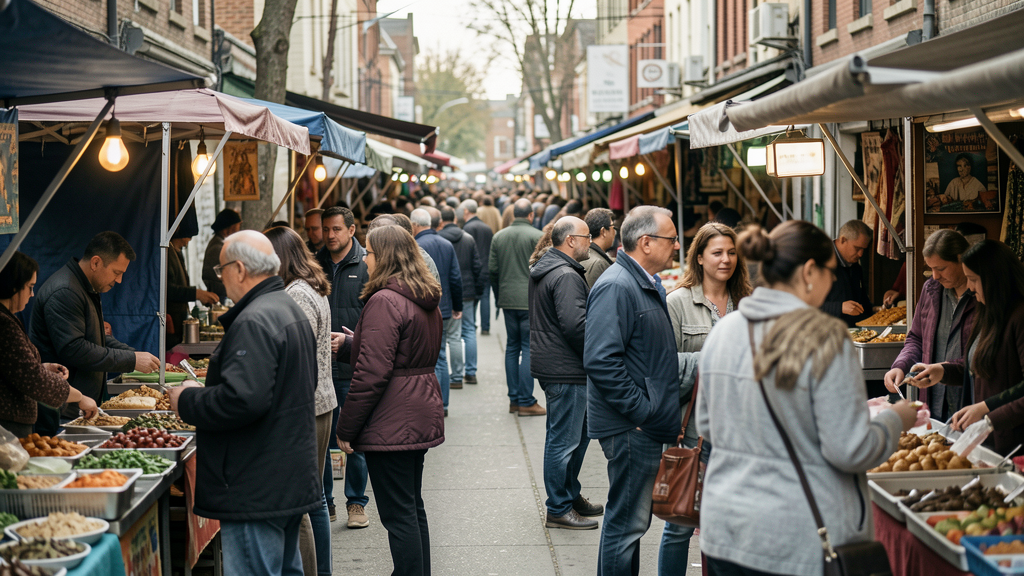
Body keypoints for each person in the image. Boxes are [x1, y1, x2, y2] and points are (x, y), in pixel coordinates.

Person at [696, 221, 918, 576]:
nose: (833, 282)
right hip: (794, 538)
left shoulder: (724, 331)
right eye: (831, 273)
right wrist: (896, 418)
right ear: (811, 270)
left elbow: (706, 424)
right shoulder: (825, 337)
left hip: (725, 528)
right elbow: (851, 449)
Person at [171, 231, 321, 576]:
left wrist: (187, 399)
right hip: (283, 474)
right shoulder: (286, 307)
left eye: (220, 269)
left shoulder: (255, 319)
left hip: (256, 483)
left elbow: (241, 400)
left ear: (239, 269)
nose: (219, 277)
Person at [336, 224, 445, 576]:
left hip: (393, 419)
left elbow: (372, 374)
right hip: (417, 409)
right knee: (411, 506)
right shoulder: (421, 294)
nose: (365, 258)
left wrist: (346, 427)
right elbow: (406, 353)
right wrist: (354, 345)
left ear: (383, 257)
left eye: (368, 252)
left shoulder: (385, 300)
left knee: (399, 514)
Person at [585, 206, 683, 576]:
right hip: (630, 426)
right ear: (646, 243)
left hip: (637, 422)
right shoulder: (616, 285)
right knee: (626, 524)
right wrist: (642, 412)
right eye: (671, 239)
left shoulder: (637, 281)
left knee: (628, 524)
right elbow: (600, 361)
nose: (676, 245)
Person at [659, 222, 751, 575]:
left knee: (729, 526)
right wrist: (715, 361)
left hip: (743, 432)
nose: (725, 259)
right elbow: (664, 367)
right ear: (699, 257)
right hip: (696, 430)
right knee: (680, 524)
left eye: (731, 252)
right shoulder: (677, 303)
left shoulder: (747, 302)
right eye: (717, 252)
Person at [30, 231, 159, 435]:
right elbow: (74, 349)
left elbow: (98, 339)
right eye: (117, 272)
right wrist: (131, 360)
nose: (119, 281)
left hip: (77, 408)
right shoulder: (65, 291)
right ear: (96, 262)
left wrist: (138, 356)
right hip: (61, 411)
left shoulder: (85, 287)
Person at [266, 226, 338, 576]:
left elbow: (297, 354)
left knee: (306, 503)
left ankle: (316, 571)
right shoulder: (311, 287)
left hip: (308, 404)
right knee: (316, 498)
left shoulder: (296, 294)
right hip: (321, 399)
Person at [909, 240, 1024, 455]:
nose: (969, 287)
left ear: (994, 279)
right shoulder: (988, 311)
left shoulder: (1019, 317)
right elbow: (980, 365)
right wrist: (943, 370)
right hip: (985, 441)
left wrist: (989, 414)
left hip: (1012, 445)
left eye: (973, 279)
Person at [528, 217, 604, 530]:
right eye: (587, 237)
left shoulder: (554, 268)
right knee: (563, 441)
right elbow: (577, 326)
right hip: (566, 368)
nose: (591, 242)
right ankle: (558, 506)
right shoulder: (565, 273)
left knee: (575, 438)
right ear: (571, 240)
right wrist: (601, 351)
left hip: (560, 366)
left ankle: (569, 494)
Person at [314, 206, 371, 529]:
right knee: (321, 441)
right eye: (326, 229)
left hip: (353, 366)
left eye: (336, 229)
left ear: (351, 230)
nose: (330, 235)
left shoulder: (366, 264)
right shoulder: (314, 264)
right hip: (320, 369)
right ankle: (326, 502)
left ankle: (356, 503)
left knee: (355, 441)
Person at [0, 252, 99, 437]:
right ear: (13, 286)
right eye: (29, 287)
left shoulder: (9, 318)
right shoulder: (4, 324)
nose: (32, 294)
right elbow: (33, 379)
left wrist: (42, 367)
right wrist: (79, 397)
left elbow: (16, 367)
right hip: (8, 428)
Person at [883, 230, 976, 421]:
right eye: (931, 268)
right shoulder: (931, 290)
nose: (934, 276)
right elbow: (916, 338)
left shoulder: (982, 295)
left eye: (941, 268)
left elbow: (986, 355)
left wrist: (944, 370)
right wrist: (901, 365)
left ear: (961, 259)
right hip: (933, 402)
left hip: (971, 403)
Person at [490, 199, 545, 416]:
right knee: (528, 347)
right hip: (530, 300)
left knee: (512, 347)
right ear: (531, 215)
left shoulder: (499, 236)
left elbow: (492, 270)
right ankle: (526, 400)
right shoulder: (538, 236)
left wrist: (499, 294)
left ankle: (514, 398)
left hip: (508, 298)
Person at [412, 208, 462, 414]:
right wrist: (457, 306)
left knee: (429, 358)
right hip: (444, 306)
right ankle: (444, 404)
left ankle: (433, 402)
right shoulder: (446, 244)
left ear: (414, 225)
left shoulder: (416, 247)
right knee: (441, 356)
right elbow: (455, 278)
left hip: (423, 309)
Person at [439, 207, 484, 386]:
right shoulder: (467, 238)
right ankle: (470, 372)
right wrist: (477, 290)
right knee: (467, 331)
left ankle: (455, 376)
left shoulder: (439, 239)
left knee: (448, 336)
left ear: (442, 221)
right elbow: (477, 267)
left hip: (445, 293)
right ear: (456, 221)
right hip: (467, 290)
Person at [166, 229, 220, 349]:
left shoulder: (175, 251)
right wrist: (197, 294)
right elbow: (168, 290)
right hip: (171, 324)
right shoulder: (166, 252)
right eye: (188, 237)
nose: (189, 241)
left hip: (178, 321)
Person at [821, 219, 873, 326]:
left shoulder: (856, 267)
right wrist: (839, 307)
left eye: (864, 249)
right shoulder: (820, 261)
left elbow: (861, 301)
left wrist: (874, 309)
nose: (861, 254)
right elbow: (803, 305)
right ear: (843, 240)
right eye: (857, 248)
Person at [460, 199, 494, 338]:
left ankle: (471, 325)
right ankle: (485, 327)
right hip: (486, 267)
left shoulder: (467, 228)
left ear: (466, 211)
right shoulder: (487, 228)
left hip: (473, 268)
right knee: (485, 297)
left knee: (471, 299)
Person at [202, 209, 242, 302]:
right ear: (230, 228)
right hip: (221, 297)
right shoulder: (218, 247)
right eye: (237, 227)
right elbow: (213, 277)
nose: (238, 230)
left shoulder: (220, 244)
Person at [581, 208, 616, 288]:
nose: (614, 232)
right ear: (603, 231)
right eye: (612, 227)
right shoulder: (598, 264)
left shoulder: (586, 254)